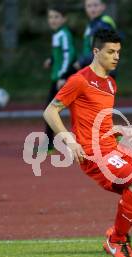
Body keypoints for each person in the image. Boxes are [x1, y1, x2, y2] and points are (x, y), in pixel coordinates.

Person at [43, 29, 132, 257]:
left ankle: (117, 234)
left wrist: (121, 130)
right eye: (110, 52)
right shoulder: (79, 80)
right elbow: (50, 111)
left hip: (112, 148)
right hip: (93, 154)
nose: (116, 56)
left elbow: (102, 121)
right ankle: (118, 240)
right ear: (96, 51)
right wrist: (69, 139)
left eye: (118, 52)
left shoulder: (110, 83)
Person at [42, 4, 76, 152]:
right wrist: (51, 59)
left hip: (61, 78)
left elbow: (69, 55)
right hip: (58, 77)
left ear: (64, 19)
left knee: (50, 110)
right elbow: (60, 54)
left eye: (56, 17)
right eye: (50, 17)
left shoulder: (63, 34)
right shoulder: (57, 34)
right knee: (53, 110)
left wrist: (63, 76)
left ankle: (49, 144)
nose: (53, 20)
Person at [74, 0, 117, 70]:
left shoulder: (104, 24)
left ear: (103, 6)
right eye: (89, 6)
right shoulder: (91, 24)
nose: (92, 9)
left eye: (95, 5)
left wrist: (82, 61)